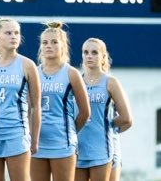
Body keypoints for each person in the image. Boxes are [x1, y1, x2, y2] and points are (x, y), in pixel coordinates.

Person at [0, 17, 41, 181]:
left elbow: (35, 106)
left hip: (16, 135)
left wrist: (34, 139)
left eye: (16, 33)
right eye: (8, 33)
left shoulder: (27, 65)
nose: (13, 36)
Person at [30, 21, 91, 181]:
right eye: (45, 42)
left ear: (63, 45)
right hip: (37, 144)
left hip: (62, 143)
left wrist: (68, 131)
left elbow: (85, 113)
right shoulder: (32, 73)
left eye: (54, 42)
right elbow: (29, 107)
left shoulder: (71, 73)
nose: (48, 46)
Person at [75, 38, 133, 181]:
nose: (89, 56)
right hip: (78, 148)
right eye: (85, 52)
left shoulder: (110, 82)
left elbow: (126, 119)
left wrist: (106, 126)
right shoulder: (75, 80)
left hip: (104, 148)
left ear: (103, 57)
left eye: (94, 52)